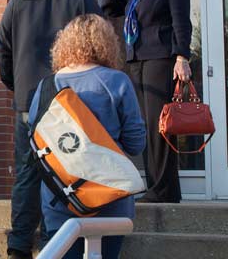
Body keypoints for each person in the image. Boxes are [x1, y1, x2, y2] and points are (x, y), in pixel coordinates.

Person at [0, 0, 100, 259]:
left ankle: (18, 246)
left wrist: (21, 88)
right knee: (69, 172)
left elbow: (4, 50)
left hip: (29, 103)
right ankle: (60, 243)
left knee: (27, 174)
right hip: (70, 104)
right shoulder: (82, 0)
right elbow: (100, 49)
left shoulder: (17, 1)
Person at [29, 15, 146, 259]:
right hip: (109, 198)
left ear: (64, 44)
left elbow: (35, 137)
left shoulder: (47, 85)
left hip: (60, 195)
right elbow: (136, 144)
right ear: (107, 44)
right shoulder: (117, 81)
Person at [102, 0, 192, 203]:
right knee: (146, 125)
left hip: (161, 59)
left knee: (160, 125)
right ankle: (160, 188)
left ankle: (162, 189)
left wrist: (182, 57)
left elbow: (181, 22)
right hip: (138, 59)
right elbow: (113, 9)